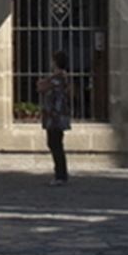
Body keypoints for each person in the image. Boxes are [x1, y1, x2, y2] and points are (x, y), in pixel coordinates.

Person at [39, 50, 71, 185]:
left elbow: (41, 86)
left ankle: (60, 175)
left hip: (55, 116)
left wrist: (44, 82)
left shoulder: (59, 78)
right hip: (55, 115)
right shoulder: (60, 78)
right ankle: (61, 173)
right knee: (55, 143)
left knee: (55, 144)